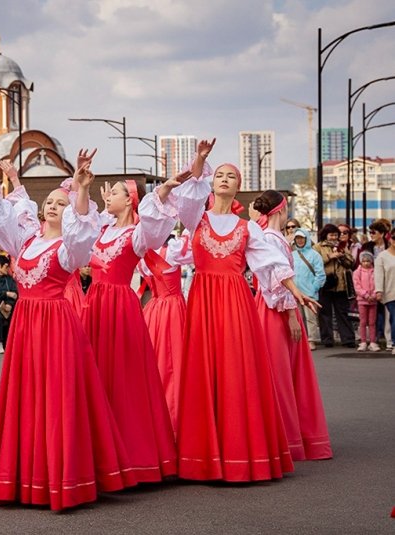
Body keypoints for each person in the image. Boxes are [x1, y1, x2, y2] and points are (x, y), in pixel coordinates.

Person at [0, 150, 137, 511]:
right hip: (26, 325)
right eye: (49, 202)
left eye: (60, 203)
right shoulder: (26, 241)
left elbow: (82, 232)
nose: (52, 206)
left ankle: (62, 478)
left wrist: (80, 187)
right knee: (26, 397)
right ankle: (24, 476)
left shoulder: (68, 247)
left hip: (56, 326)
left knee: (57, 398)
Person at [168, 138, 317, 482]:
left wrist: (297, 293)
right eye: (218, 175)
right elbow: (189, 195)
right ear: (211, 183)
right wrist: (200, 159)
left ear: (237, 188)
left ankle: (240, 453)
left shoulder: (248, 228)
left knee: (237, 371)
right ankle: (202, 457)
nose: (223, 179)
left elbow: (271, 264)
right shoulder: (196, 219)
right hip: (203, 301)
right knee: (204, 372)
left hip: (235, 302)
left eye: (230, 176)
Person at [83, 165, 184, 483]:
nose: (108, 195)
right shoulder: (100, 229)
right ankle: (101, 452)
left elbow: (155, 228)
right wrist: (84, 192)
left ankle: (134, 455)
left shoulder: (138, 235)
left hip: (119, 306)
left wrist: (163, 191)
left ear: (130, 201)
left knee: (124, 379)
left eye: (114, 192)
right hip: (95, 304)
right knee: (96, 375)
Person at [251, 190, 332, 461]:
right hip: (277, 309)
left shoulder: (269, 237)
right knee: (281, 374)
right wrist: (289, 315)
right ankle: (285, 437)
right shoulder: (272, 239)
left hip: (270, 306)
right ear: (282, 210)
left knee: (279, 372)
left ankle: (283, 436)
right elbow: (274, 278)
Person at [139, 232, 191, 434]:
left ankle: (155, 419)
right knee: (175, 362)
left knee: (155, 361)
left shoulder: (143, 258)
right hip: (173, 308)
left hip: (153, 309)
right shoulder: (173, 252)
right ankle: (175, 420)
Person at [314, 223, 355, 347]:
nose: (334, 237)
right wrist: (330, 256)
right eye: (331, 235)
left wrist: (342, 256)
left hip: (341, 285)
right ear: (325, 235)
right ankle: (327, 340)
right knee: (324, 313)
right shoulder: (318, 247)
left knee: (343, 313)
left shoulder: (342, 246)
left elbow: (351, 262)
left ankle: (348, 339)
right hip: (325, 284)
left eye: (336, 235)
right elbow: (315, 262)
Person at [292, 228, 326, 350]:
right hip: (295, 293)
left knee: (311, 319)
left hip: (309, 293)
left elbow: (321, 275)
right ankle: (300, 340)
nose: (299, 240)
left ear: (306, 239)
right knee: (297, 317)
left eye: (302, 238)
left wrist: (313, 288)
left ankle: (311, 340)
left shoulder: (315, 255)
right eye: (297, 238)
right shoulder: (292, 255)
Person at [374, 238, 395, 355]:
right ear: (391, 239)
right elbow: (378, 274)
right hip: (390, 293)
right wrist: (379, 290)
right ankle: (393, 343)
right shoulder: (382, 256)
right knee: (394, 318)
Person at [355, 251, 378, 351]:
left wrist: (373, 295)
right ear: (361, 262)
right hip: (362, 301)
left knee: (372, 322)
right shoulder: (357, 272)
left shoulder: (376, 272)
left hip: (373, 301)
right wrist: (365, 295)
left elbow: (378, 284)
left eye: (368, 261)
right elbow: (357, 286)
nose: (366, 263)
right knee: (363, 322)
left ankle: (373, 342)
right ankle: (363, 342)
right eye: (364, 261)